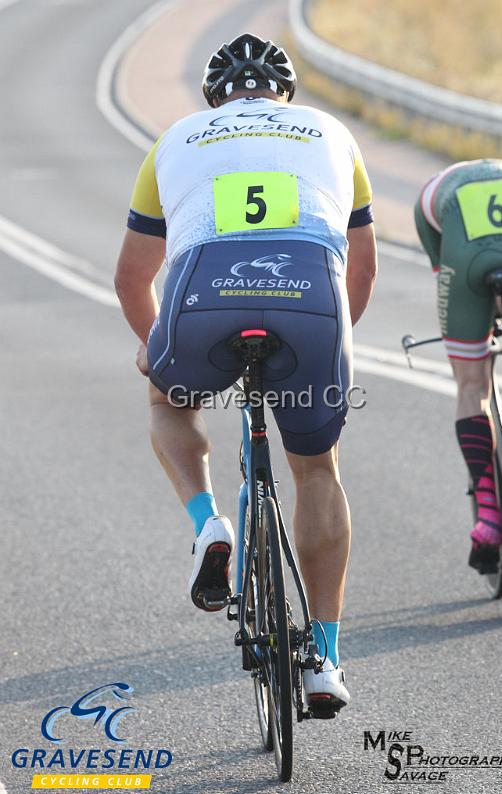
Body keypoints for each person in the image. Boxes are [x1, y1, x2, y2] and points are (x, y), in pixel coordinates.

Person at [115, 33, 377, 713]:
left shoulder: (175, 137)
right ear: (283, 95)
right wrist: (331, 347)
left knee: (165, 397)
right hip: (313, 298)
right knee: (317, 470)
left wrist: (159, 351)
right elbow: (366, 266)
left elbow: (132, 278)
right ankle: (324, 659)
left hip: (202, 297)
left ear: (214, 98)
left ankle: (210, 526)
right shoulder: (330, 131)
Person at [415, 158, 502, 573]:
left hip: (466, 264)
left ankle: (488, 518)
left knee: (472, 386)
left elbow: (444, 273)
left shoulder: (428, 199)